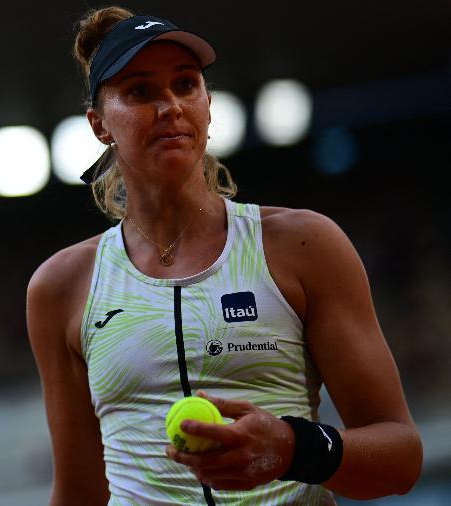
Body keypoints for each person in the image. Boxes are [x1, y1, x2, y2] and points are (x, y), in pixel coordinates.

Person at [26, 6, 422, 505]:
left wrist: (292, 448)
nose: (169, 105)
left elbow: (400, 458)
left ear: (208, 105)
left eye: (185, 84)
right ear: (100, 125)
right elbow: (80, 494)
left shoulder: (302, 245)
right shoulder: (61, 287)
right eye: (140, 91)